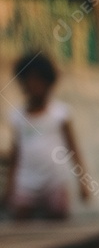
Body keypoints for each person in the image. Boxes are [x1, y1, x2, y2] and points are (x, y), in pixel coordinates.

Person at [2, 52, 90, 219]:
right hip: (26, 183)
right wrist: (10, 188)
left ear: (48, 83)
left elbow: (74, 150)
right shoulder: (18, 117)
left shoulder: (60, 114)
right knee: (21, 223)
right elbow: (16, 154)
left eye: (39, 80)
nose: (34, 85)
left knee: (58, 218)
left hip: (54, 182)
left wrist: (83, 183)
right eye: (30, 80)